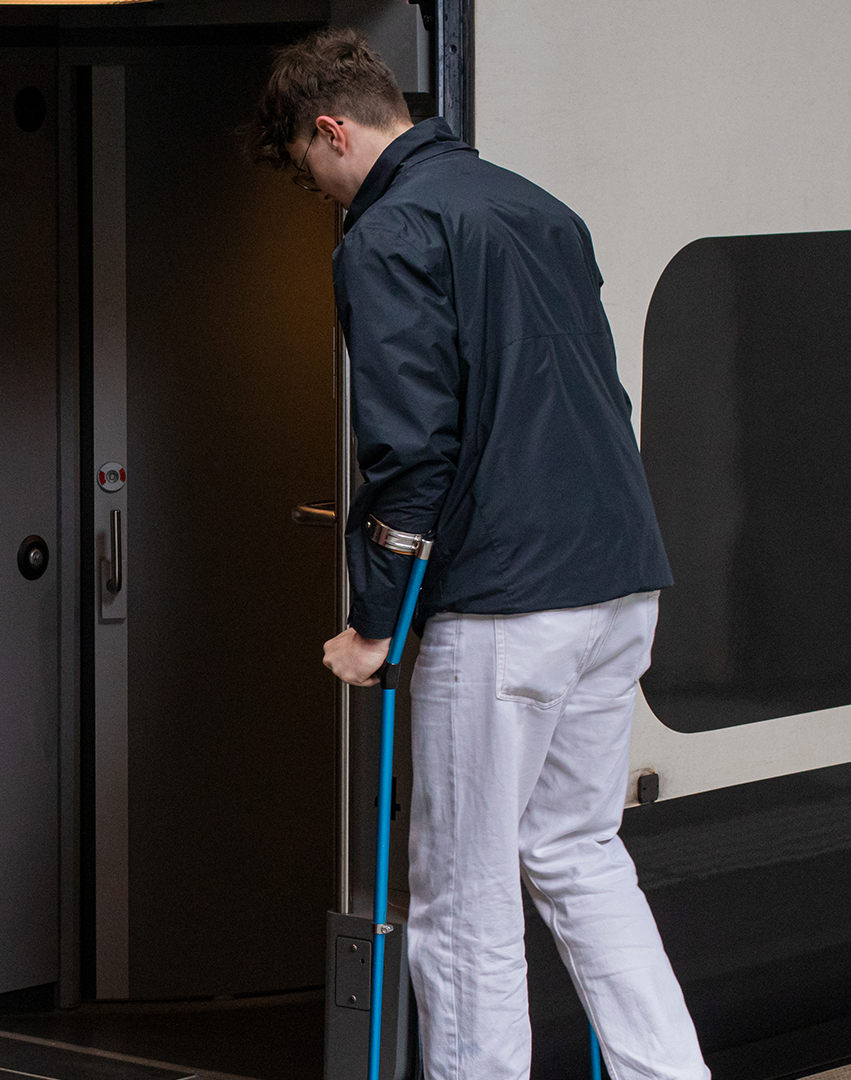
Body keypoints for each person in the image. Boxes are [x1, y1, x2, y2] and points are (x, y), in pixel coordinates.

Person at [248, 29, 707, 1080]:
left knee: (461, 896)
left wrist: (373, 620)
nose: (322, 196)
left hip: (506, 604)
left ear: (331, 130)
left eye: (311, 173)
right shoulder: (537, 207)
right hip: (621, 577)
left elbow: (413, 450)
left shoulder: (388, 229)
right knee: (581, 856)